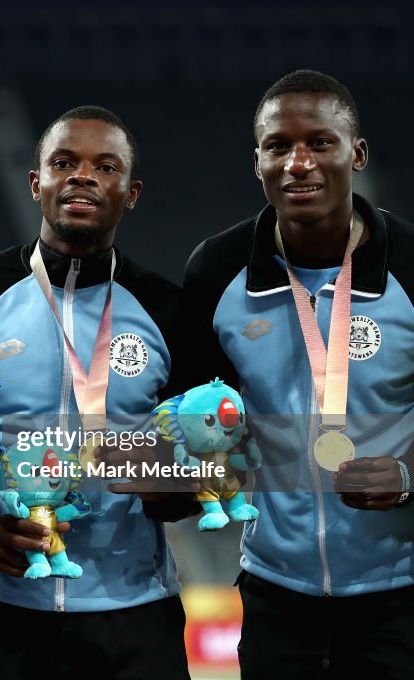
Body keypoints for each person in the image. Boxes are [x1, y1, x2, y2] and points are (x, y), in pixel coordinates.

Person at [0, 106, 192, 679]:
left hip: (137, 615)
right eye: (63, 162)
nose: (82, 176)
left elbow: (202, 464)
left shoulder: (169, 310)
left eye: (105, 166)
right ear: (37, 184)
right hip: (11, 615)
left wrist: (166, 484)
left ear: (131, 192)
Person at [177, 69, 414, 679]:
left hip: (402, 592)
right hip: (275, 593)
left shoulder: (413, 265)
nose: (298, 162)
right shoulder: (216, 270)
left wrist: (410, 474)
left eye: (320, 143)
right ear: (256, 161)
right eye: (278, 146)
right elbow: (187, 413)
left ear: (357, 153)